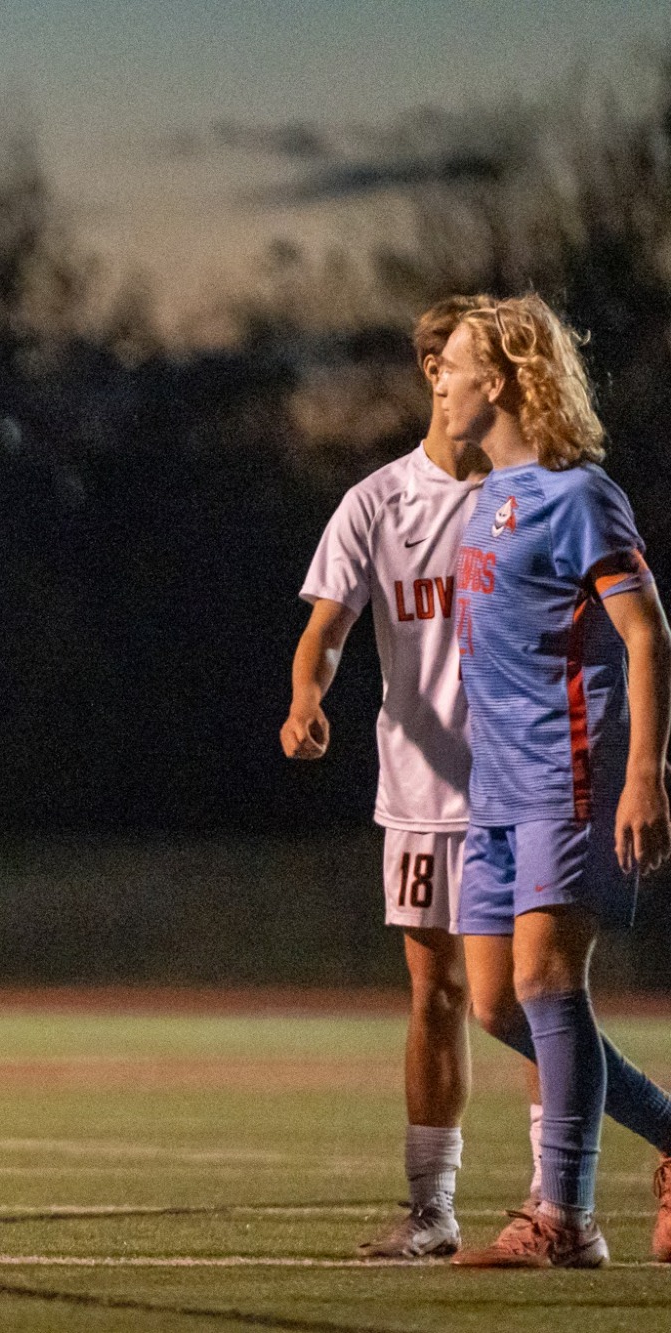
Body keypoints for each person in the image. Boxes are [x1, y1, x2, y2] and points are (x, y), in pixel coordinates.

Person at [436, 294, 671, 1268]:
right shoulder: (484, 499)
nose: (437, 380)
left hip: (570, 776)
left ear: (496, 378)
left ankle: (561, 1215)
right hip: (492, 789)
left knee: (543, 979)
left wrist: (643, 774)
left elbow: (645, 634)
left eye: (450, 363)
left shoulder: (579, 495)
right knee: (493, 1003)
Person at [281, 298, 499, 1256]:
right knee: (438, 992)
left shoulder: (530, 495)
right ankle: (434, 1211)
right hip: (419, 791)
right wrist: (305, 698)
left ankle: (556, 1198)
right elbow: (325, 631)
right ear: (431, 370)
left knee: (534, 996)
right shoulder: (377, 502)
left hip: (522, 787)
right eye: (474, 361)